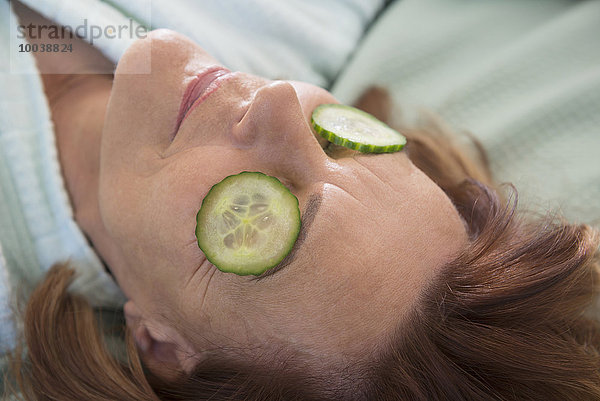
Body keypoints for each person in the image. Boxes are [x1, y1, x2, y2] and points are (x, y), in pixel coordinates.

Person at [4, 2, 600, 401]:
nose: (281, 101)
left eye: (264, 211)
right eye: (341, 141)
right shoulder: (307, 17)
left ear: (163, 345)